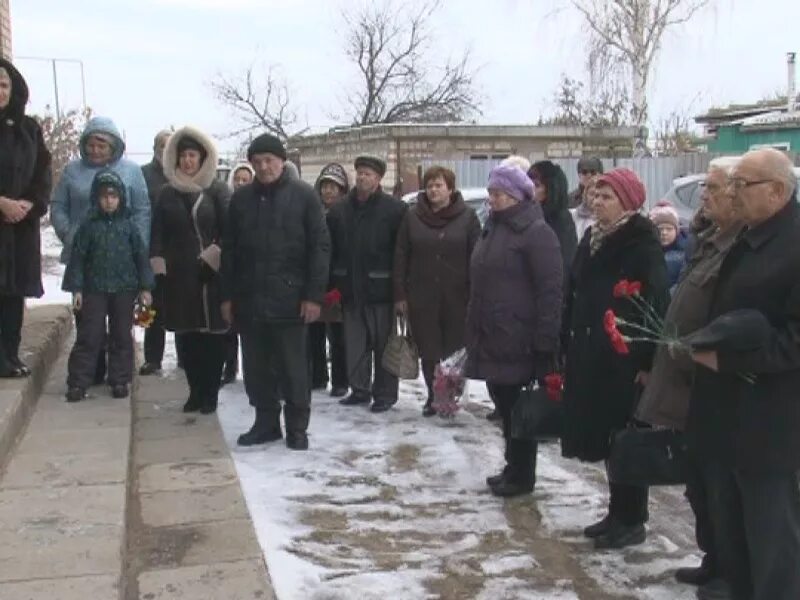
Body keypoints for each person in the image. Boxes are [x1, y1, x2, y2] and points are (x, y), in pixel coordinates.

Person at [687, 148, 800, 600]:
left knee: (771, 525)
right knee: (732, 515)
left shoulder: (792, 245)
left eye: (742, 185)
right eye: (729, 184)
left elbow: (794, 340)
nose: (733, 193)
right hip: (728, 408)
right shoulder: (749, 236)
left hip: (771, 413)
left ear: (777, 191)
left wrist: (728, 360)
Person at [635, 157, 742, 597]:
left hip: (712, 380)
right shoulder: (710, 240)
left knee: (721, 487)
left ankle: (730, 571)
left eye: (714, 189)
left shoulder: (741, 248)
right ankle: (712, 558)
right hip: (687, 374)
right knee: (698, 482)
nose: (704, 196)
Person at [561, 167, 669, 549]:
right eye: (595, 195)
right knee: (607, 439)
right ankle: (616, 511)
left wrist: (646, 363)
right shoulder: (592, 237)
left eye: (606, 197)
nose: (596, 202)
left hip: (623, 357)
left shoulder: (641, 243)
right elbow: (574, 290)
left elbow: (655, 303)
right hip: (591, 351)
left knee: (626, 439)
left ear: (627, 202)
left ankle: (632, 518)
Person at [220, 134, 330, 450]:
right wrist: (227, 296)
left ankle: (297, 427)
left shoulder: (304, 197)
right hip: (250, 300)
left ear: (282, 162)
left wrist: (313, 296)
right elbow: (229, 251)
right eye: (257, 162)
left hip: (291, 300)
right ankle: (266, 423)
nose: (264, 167)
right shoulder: (240, 201)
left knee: (293, 368)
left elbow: (320, 248)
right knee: (256, 367)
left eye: (269, 160)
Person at [465, 164, 563, 497]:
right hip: (493, 333)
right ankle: (512, 466)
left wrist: (545, 341)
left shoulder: (536, 232)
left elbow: (551, 291)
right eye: (491, 193)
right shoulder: (493, 228)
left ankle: (523, 474)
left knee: (520, 408)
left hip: (520, 336)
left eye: (499, 194)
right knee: (504, 405)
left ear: (518, 196)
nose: (492, 200)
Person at [51, 116, 150, 384]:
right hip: (84, 256)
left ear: (114, 146)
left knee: (120, 325)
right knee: (88, 321)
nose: (96, 150)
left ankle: (119, 376)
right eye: (91, 145)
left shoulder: (130, 171)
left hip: (122, 260)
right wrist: (67, 231)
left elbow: (142, 209)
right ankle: (90, 371)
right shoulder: (73, 171)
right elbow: (58, 205)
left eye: (102, 146)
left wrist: (135, 243)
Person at [150, 126, 230, 415]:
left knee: (212, 337)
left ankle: (210, 393)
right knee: (186, 338)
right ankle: (194, 391)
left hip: (209, 275)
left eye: (192, 155)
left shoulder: (217, 190)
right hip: (179, 276)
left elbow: (228, 231)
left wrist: (213, 258)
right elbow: (157, 234)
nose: (187, 161)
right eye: (182, 155)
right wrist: (158, 267)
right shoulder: (166, 193)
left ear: (202, 157)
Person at [394, 166, 481, 416]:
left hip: (458, 296)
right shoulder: (412, 217)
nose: (433, 190)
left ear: (450, 189)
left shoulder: (467, 217)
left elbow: (476, 257)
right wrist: (400, 294)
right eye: (429, 185)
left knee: (454, 350)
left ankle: (450, 397)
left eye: (439, 185)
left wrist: (475, 292)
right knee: (429, 349)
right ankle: (433, 396)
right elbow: (401, 256)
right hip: (422, 296)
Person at [62, 170, 154, 401]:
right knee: (89, 335)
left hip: (124, 289)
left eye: (113, 196)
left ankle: (120, 379)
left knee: (122, 335)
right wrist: (77, 289)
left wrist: (145, 287)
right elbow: (78, 259)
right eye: (104, 196)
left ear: (121, 198)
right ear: (96, 198)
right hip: (94, 289)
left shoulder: (129, 227)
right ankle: (79, 381)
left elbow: (141, 257)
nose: (109, 201)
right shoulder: (88, 227)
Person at [327, 155, 407, 413]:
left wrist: (399, 290)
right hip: (350, 289)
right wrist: (333, 286)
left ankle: (385, 394)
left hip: (381, 290)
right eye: (360, 173)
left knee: (383, 344)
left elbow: (401, 252)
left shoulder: (394, 210)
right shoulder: (340, 210)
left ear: (379, 179)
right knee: (355, 343)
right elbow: (331, 250)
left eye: (369, 174)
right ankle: (359, 389)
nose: (363, 178)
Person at [0, 59, 52, 378]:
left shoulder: (29, 129)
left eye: (4, 85)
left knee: (13, 294)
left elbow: (42, 172)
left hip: (20, 227)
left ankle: (10, 354)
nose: (0, 91)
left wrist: (29, 204)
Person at [310, 162, 350, 397]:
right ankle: (317, 376)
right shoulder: (312, 212)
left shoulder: (346, 214)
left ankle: (340, 381)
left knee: (338, 337)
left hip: (338, 283)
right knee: (313, 334)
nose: (328, 191)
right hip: (315, 281)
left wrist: (339, 283)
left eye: (334, 187)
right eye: (325, 186)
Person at [139, 129, 172, 376]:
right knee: (151, 305)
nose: (166, 150)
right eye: (162, 145)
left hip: (178, 249)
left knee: (181, 305)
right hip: (151, 247)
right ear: (155, 149)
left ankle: (185, 356)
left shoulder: (181, 174)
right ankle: (152, 357)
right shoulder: (144, 175)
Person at [219, 161, 255, 386]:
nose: (240, 183)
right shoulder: (226, 204)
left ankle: (252, 371)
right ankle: (230, 368)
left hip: (252, 272)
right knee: (229, 327)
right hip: (232, 270)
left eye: (245, 179)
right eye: (237, 179)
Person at [648, 201, 688, 291]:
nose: (664, 233)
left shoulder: (685, 253)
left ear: (677, 231)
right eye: (660, 229)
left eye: (669, 229)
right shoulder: (647, 251)